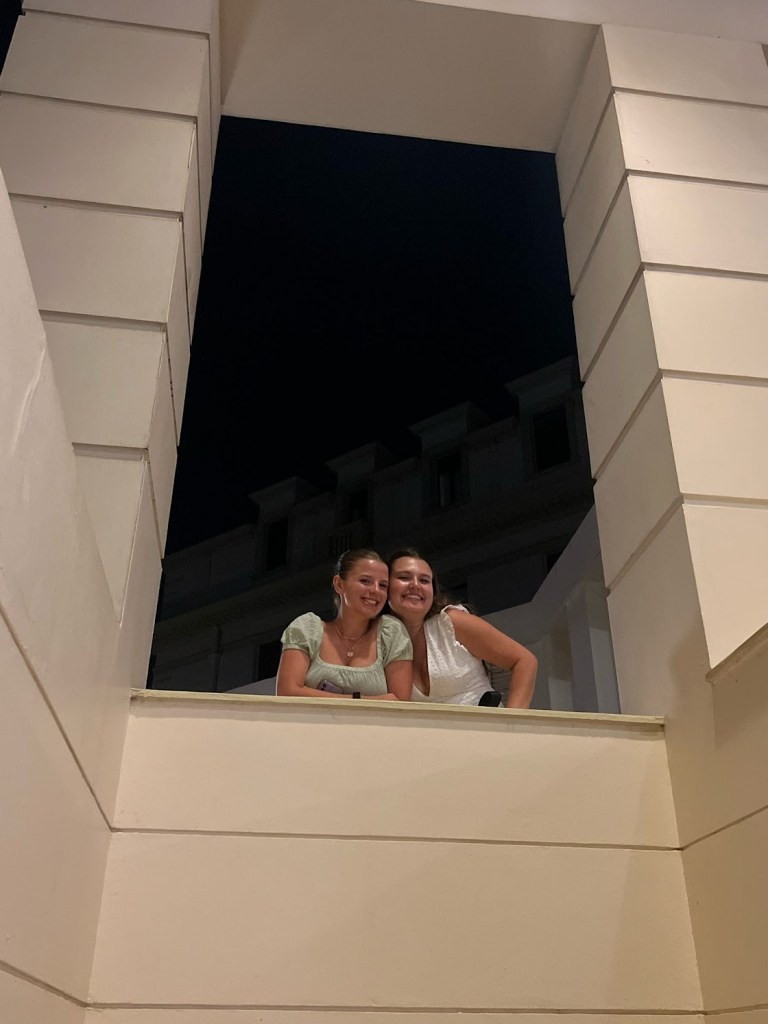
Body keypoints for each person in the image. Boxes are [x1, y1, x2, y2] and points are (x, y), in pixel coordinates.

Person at [386, 548, 537, 708]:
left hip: (486, 722)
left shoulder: (450, 622)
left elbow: (525, 661)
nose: (415, 585)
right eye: (404, 577)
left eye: (424, 580)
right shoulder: (381, 642)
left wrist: (510, 720)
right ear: (385, 586)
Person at [276, 548, 413, 701]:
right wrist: (360, 700)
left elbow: (399, 702)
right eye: (365, 581)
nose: (376, 590)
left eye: (383, 585)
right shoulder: (307, 629)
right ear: (339, 584)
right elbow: (287, 692)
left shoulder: (392, 633)